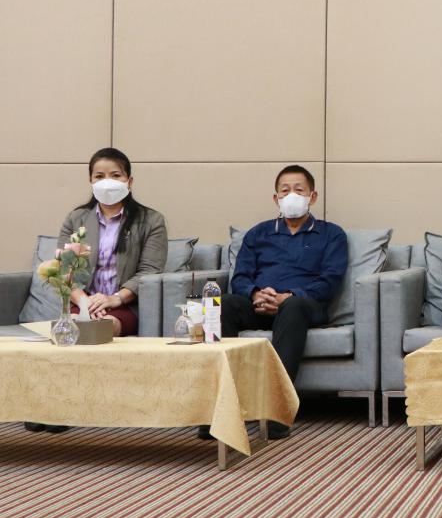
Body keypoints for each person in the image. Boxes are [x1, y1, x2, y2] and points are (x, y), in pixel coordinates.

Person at [26, 147, 167, 434]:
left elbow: (150, 272)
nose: (107, 182)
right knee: (69, 328)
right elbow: (65, 269)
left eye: (115, 175)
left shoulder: (151, 220)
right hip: (83, 302)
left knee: (98, 327)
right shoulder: (76, 218)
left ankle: (62, 408)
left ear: (129, 181)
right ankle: (47, 405)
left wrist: (114, 299)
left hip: (126, 305)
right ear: (90, 181)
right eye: (99, 176)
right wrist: (85, 302)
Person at [202, 165, 348, 440]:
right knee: (223, 304)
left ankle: (275, 411)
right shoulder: (258, 234)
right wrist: (256, 294)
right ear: (276, 198)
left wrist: (288, 296)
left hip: (304, 307)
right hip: (259, 304)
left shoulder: (332, 234)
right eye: (285, 190)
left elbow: (330, 281)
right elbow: (240, 277)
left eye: (299, 190)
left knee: (293, 307)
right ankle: (217, 410)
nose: (291, 195)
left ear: (313, 196)